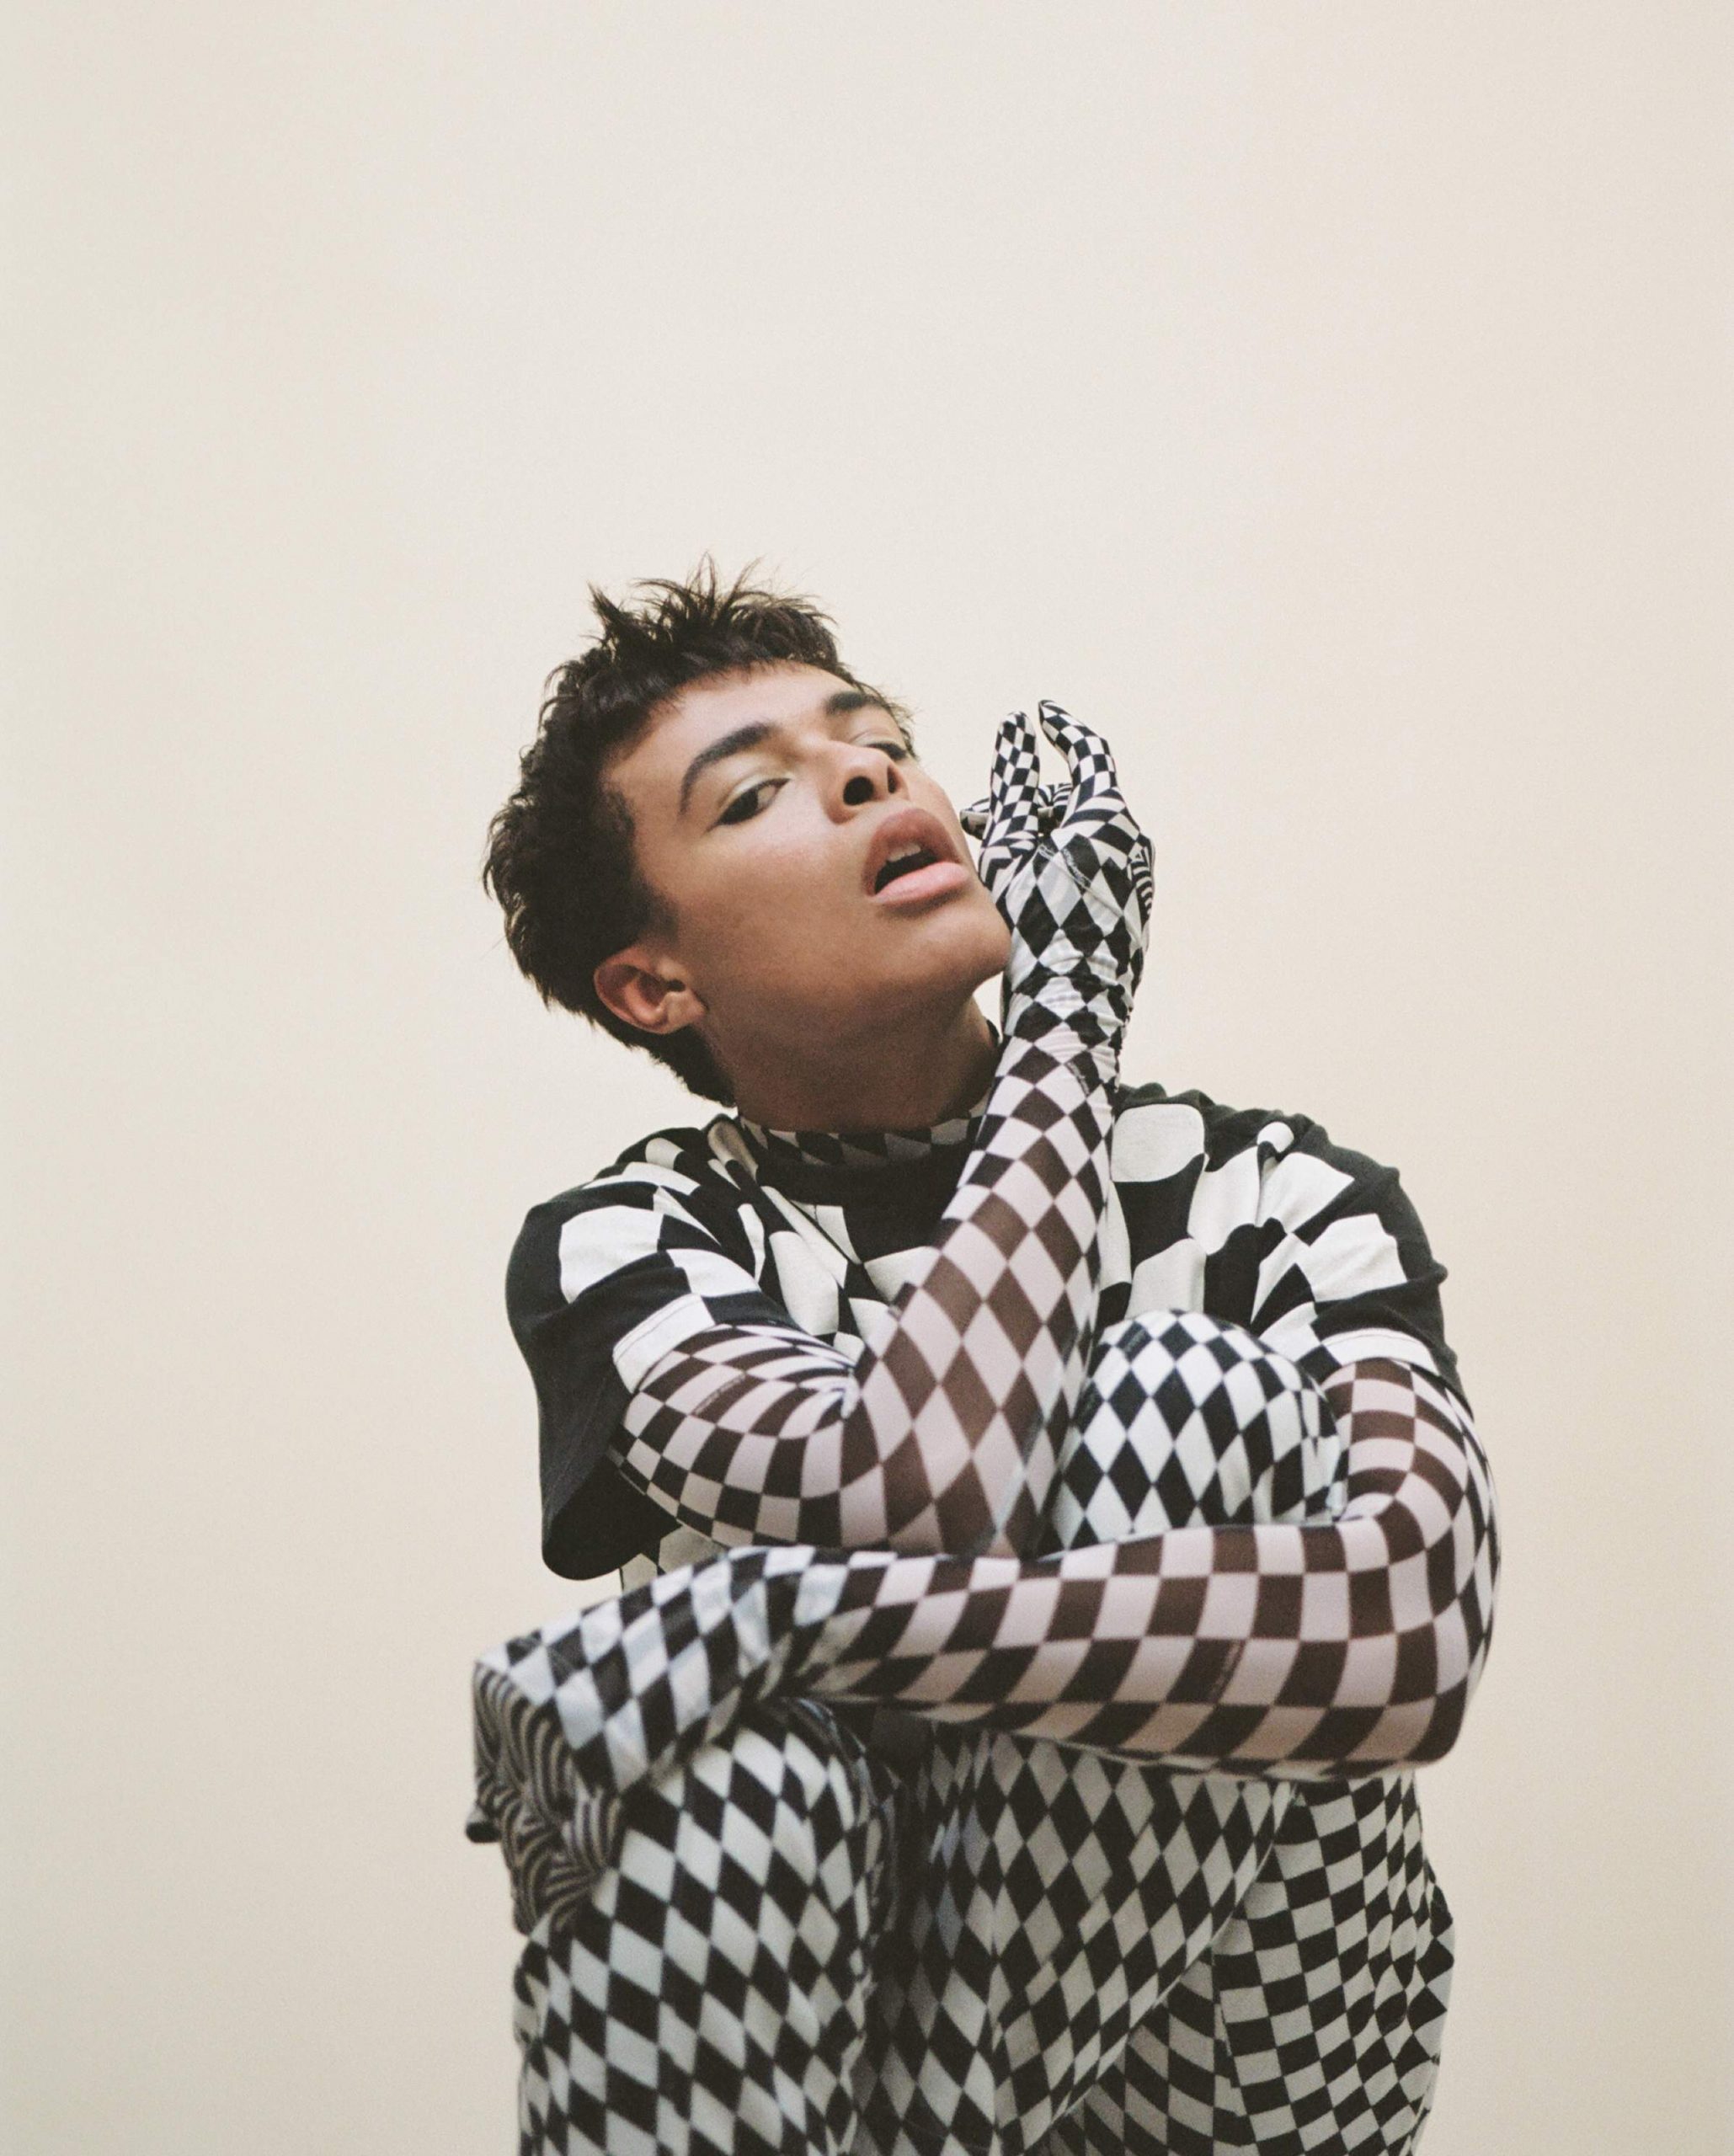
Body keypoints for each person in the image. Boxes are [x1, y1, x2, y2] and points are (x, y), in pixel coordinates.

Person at [470, 563, 1500, 2156]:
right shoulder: (640, 1240)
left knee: (1182, 1399)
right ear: (656, 983)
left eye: (878, 742)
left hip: (1253, 2048)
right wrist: (1064, 1033)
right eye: (753, 796)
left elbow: (1412, 1637)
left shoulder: (1272, 1196)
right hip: (848, 1994)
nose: (865, 776)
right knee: (731, 1786)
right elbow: (920, 1497)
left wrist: (767, 1616)